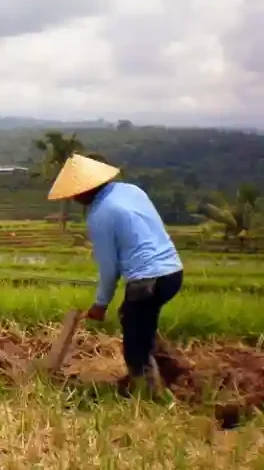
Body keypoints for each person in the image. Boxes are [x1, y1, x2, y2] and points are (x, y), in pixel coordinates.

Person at [47, 153, 184, 394]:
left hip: (146, 281)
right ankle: (169, 367)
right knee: (136, 319)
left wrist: (100, 304)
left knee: (134, 346)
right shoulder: (131, 191)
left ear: (86, 189)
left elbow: (109, 269)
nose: (75, 198)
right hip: (173, 272)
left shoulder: (100, 214)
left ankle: (150, 396)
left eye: (75, 193)